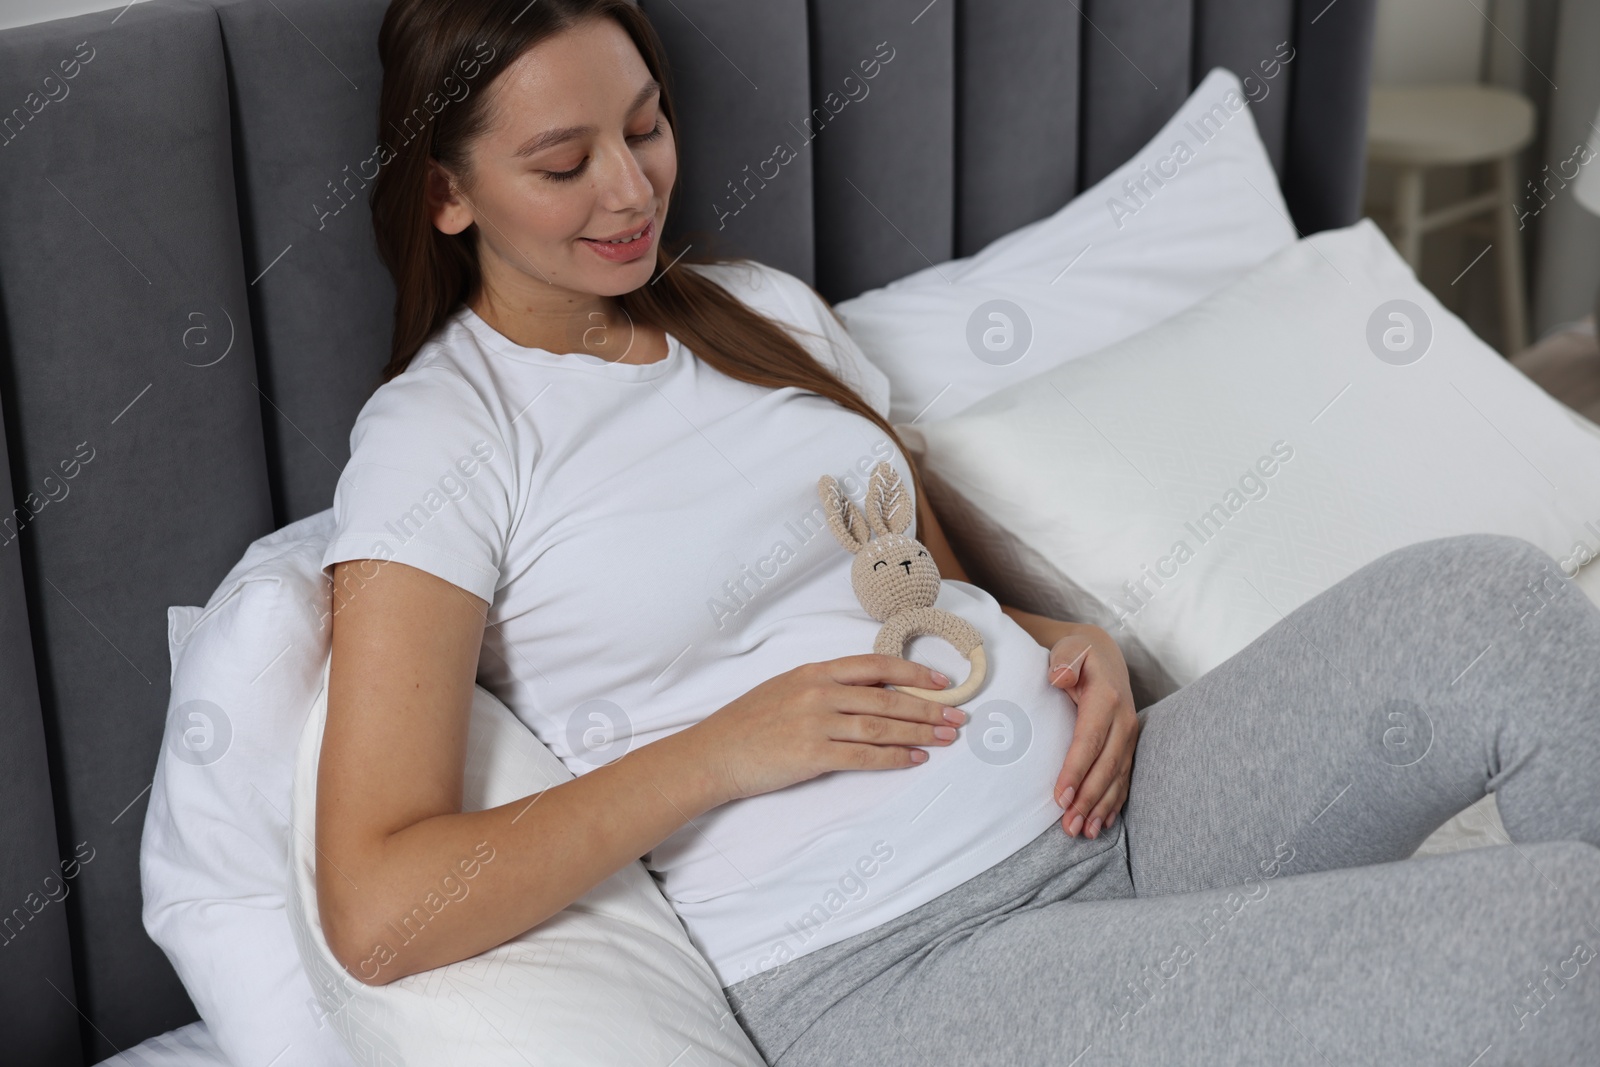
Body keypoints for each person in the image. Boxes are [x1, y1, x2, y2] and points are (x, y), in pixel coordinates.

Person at [315, 1, 1600, 1062]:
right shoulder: (442, 438)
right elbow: (379, 906)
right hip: (903, 964)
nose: (630, 186)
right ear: (445, 194)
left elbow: (916, 574)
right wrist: (723, 747)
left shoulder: (757, 309)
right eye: (560, 162)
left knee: (1491, 603)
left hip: (1114, 811)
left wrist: (1061, 636)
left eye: (646, 127)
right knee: (1561, 935)